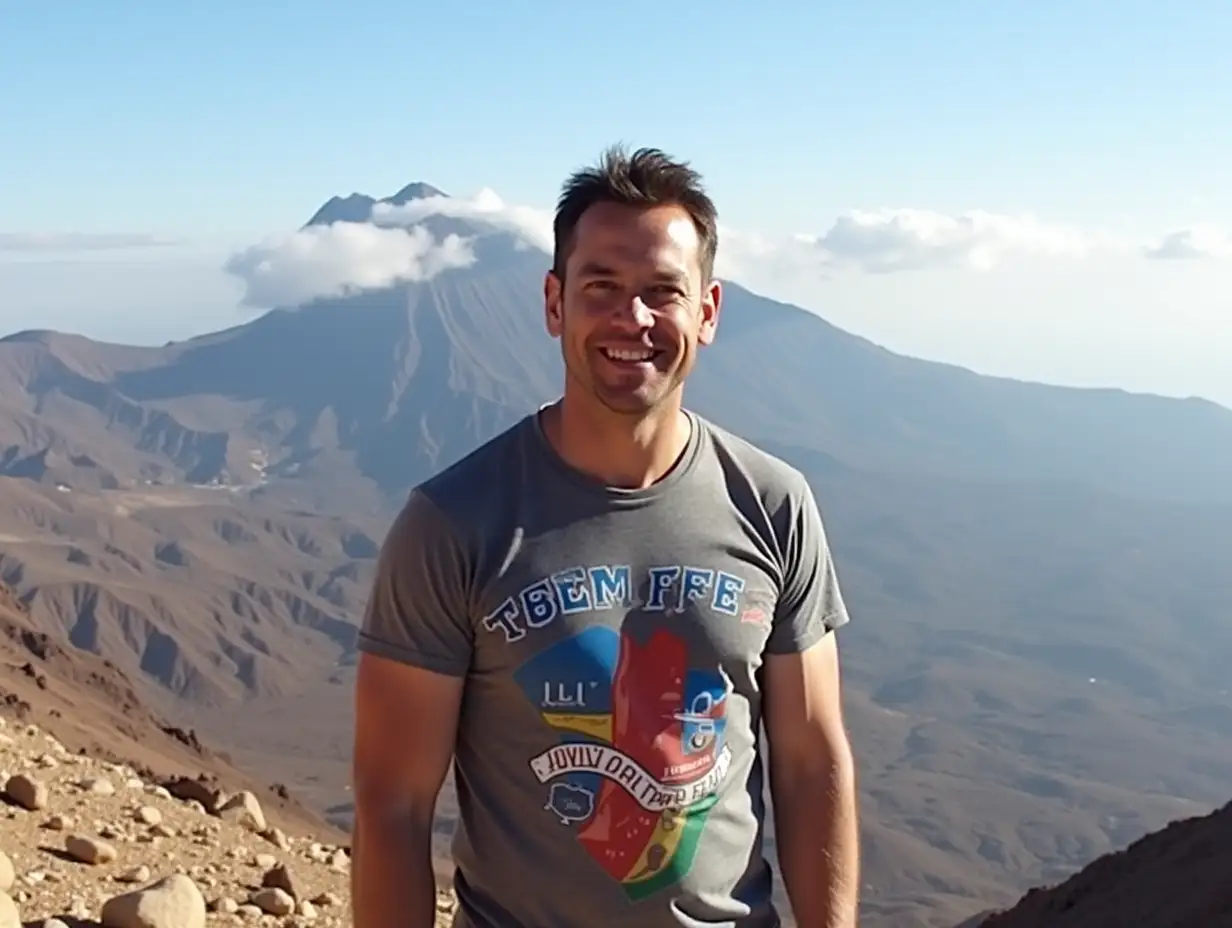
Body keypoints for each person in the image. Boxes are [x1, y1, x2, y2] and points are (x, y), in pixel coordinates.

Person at [351, 145, 860, 928]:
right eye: (603, 289)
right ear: (555, 304)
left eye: (664, 292)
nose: (634, 320)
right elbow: (393, 804)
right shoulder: (454, 523)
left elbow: (811, 760)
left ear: (708, 311)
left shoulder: (773, 504)